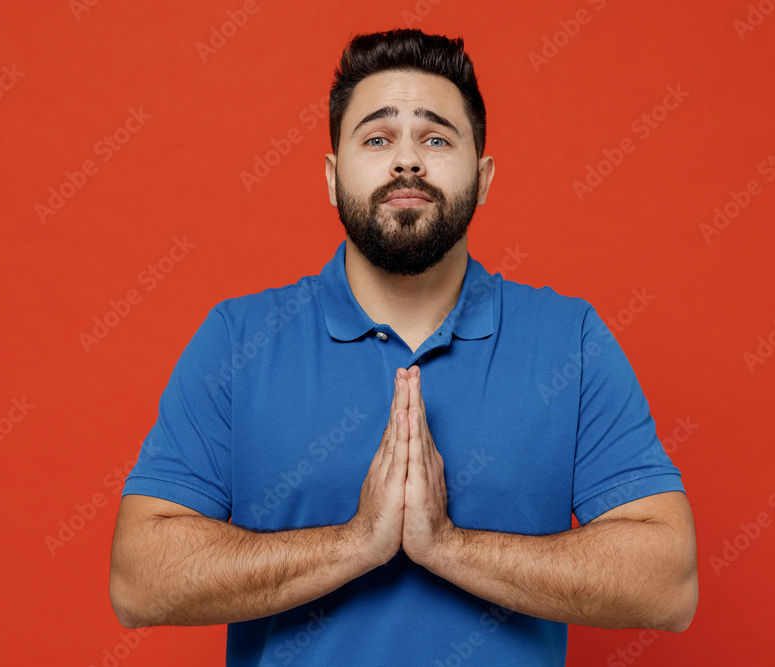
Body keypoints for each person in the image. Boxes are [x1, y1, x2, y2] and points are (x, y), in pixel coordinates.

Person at [109, 28, 698, 666]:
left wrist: (446, 546)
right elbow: (139, 581)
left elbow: (668, 585)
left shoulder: (571, 340)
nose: (407, 161)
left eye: (437, 138)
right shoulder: (238, 339)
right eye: (378, 138)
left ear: (484, 175)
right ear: (334, 178)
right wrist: (358, 543)